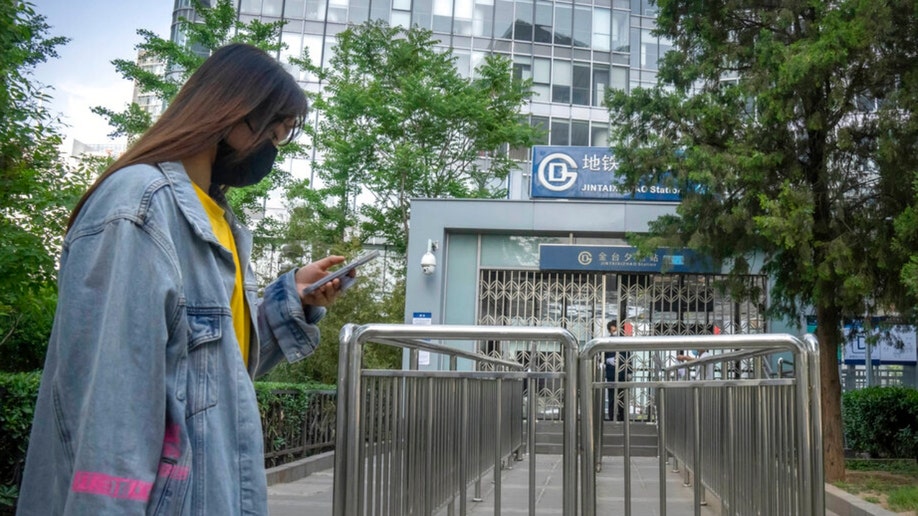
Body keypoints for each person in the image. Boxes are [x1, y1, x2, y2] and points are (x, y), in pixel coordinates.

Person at [16, 44, 350, 515]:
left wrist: (291, 296)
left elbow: (215, 374)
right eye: (272, 135)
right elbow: (111, 419)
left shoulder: (218, 221)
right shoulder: (139, 207)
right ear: (234, 114)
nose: (271, 153)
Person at [603, 321, 630, 421]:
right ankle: (611, 417)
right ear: (609, 330)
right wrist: (607, 360)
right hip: (611, 373)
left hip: (622, 373)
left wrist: (629, 371)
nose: (614, 332)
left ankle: (622, 417)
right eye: (612, 330)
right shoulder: (607, 342)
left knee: (622, 397)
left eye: (616, 329)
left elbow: (628, 356)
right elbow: (602, 357)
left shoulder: (623, 341)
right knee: (612, 398)